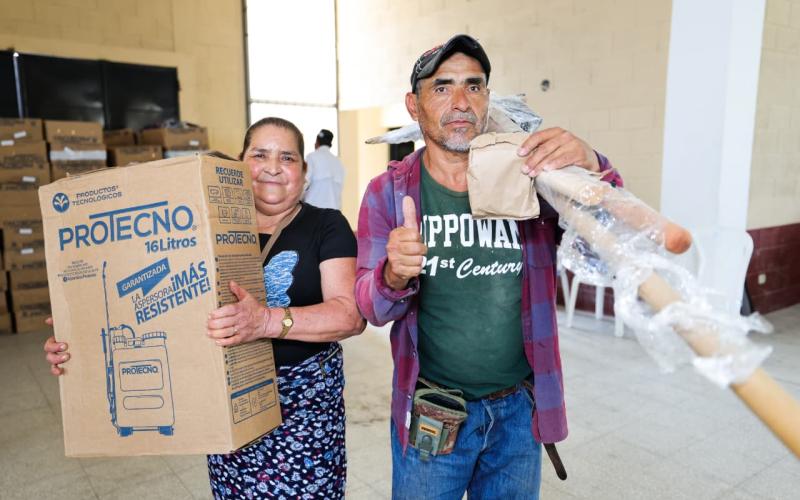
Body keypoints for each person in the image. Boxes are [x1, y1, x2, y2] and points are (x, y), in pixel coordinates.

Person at [354, 34, 623, 499]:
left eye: (473, 86)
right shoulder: (388, 192)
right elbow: (371, 308)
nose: (460, 102)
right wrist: (393, 275)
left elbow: (611, 244)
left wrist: (594, 165)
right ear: (413, 105)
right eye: (442, 87)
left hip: (518, 414)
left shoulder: (532, 183)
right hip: (434, 412)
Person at [45, 117, 365, 499]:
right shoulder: (200, 225)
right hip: (228, 402)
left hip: (303, 415)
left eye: (288, 158)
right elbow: (156, 302)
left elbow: (350, 316)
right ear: (238, 161)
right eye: (260, 154)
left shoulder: (326, 226)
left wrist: (263, 320)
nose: (273, 167)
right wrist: (78, 334)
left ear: (304, 169)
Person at [303, 129, 345, 210]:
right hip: (334, 211)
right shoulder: (338, 162)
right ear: (330, 144)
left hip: (313, 210)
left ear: (317, 142)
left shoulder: (312, 157)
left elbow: (305, 182)